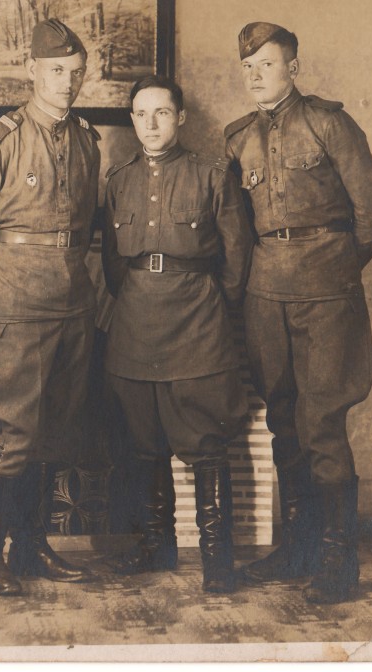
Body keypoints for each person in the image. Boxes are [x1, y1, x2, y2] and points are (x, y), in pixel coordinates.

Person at [225, 22, 372, 603]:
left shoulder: (329, 123)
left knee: (321, 422)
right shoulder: (237, 138)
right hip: (266, 294)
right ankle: (297, 548)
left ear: (292, 68)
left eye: (266, 65)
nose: (255, 76)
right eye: (248, 67)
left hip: (326, 293)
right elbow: (238, 229)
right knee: (283, 418)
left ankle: (338, 561)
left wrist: (334, 269)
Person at [0, 18, 101, 596]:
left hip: (74, 302)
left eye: (76, 72)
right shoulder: (1, 141)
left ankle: (33, 546)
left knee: (57, 430)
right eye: (57, 71)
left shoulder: (87, 140)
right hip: (16, 303)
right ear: (33, 71)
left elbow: (85, 226)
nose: (67, 82)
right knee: (14, 430)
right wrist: (8, 285)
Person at [102, 75, 251, 593]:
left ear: (180, 118)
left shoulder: (212, 175)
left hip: (197, 323)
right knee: (145, 445)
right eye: (141, 114)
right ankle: (156, 547)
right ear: (132, 120)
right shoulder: (119, 180)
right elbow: (112, 268)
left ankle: (217, 562)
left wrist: (208, 306)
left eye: (162, 113)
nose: (151, 124)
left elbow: (236, 259)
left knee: (206, 444)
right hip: (135, 325)